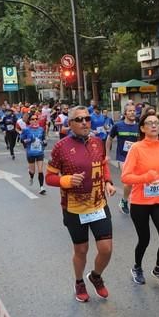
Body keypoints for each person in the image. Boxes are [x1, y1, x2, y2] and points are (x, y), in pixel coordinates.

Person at [45, 106, 116, 302]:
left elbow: (102, 165)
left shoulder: (97, 142)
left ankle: (95, 276)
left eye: (87, 118)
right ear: (70, 124)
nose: (84, 122)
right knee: (81, 250)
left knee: (106, 249)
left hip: (98, 204)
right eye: (79, 119)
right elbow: (49, 177)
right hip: (74, 208)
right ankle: (79, 282)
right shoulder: (61, 147)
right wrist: (65, 181)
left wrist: (108, 182)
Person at [121, 109, 159, 287]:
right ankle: (137, 268)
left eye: (156, 122)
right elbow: (125, 177)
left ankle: (158, 269)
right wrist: (145, 178)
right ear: (142, 128)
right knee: (144, 239)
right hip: (140, 202)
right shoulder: (136, 148)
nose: (154, 125)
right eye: (149, 123)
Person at [107, 103, 139, 214]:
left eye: (134, 110)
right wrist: (107, 154)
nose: (132, 112)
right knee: (128, 181)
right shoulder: (118, 126)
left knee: (137, 182)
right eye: (129, 111)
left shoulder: (139, 127)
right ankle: (124, 202)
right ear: (125, 113)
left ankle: (134, 201)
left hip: (136, 158)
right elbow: (109, 138)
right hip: (122, 157)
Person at [20, 113, 47, 195]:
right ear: (29, 121)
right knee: (33, 171)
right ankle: (31, 177)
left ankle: (41, 187)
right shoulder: (26, 130)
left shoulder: (41, 129)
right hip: (30, 153)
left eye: (36, 119)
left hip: (39, 152)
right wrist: (28, 140)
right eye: (33, 119)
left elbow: (44, 139)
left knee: (40, 170)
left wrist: (44, 142)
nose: (35, 120)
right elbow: (22, 140)